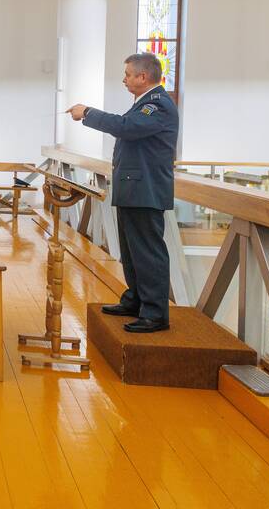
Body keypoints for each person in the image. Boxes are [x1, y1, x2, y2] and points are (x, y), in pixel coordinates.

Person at [68, 52, 179, 333]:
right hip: (133, 187)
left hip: (147, 189)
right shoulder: (143, 103)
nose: (124, 79)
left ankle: (155, 313)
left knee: (147, 252)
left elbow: (127, 128)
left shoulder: (159, 105)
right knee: (130, 252)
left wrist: (89, 113)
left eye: (128, 74)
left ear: (143, 77)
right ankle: (136, 300)